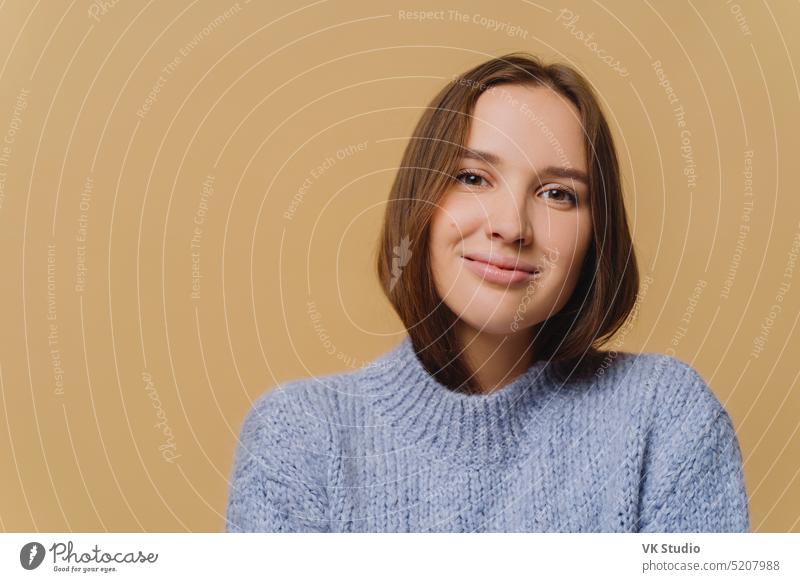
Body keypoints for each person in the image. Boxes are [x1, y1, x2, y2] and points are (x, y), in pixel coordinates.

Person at [225, 52, 750, 533]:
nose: (511, 226)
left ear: (598, 235)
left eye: (557, 194)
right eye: (474, 178)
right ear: (421, 200)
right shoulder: (300, 437)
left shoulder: (665, 421)